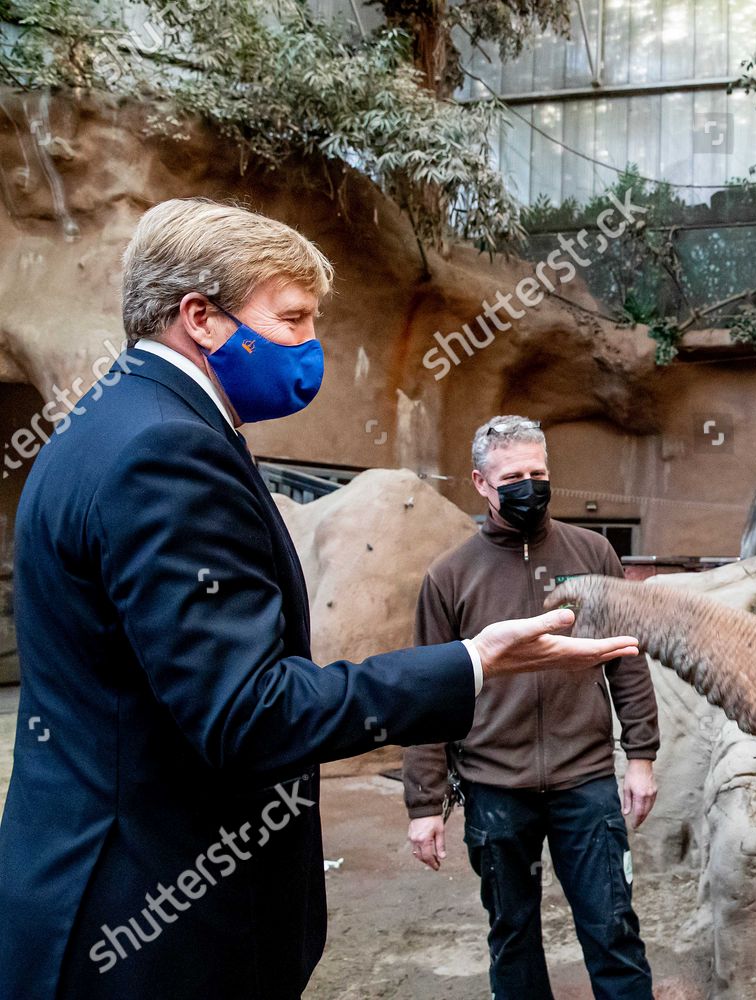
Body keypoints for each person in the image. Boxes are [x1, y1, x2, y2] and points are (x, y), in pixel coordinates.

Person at [0, 199, 638, 1000]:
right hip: (151, 921)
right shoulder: (167, 451)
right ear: (200, 316)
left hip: (82, 889)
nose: (310, 345)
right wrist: (475, 662)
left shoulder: (98, 428)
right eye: (293, 319)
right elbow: (248, 712)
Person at [404, 415, 659, 1000]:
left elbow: (627, 657)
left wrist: (640, 755)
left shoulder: (593, 552)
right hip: (496, 787)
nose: (528, 485)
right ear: (480, 483)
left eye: (537, 473)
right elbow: (427, 695)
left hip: (585, 781)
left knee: (613, 927)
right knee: (513, 935)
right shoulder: (450, 576)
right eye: (512, 476)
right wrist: (424, 801)